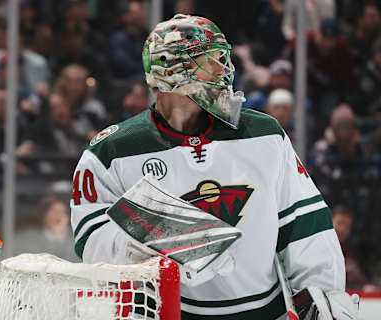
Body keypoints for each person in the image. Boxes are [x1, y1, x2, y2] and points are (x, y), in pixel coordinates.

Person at [71, 15, 359, 319]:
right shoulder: (110, 151)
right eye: (211, 60)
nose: (224, 70)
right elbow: (91, 236)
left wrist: (321, 293)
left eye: (224, 59)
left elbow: (303, 221)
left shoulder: (264, 134)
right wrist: (174, 235)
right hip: (169, 312)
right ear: (171, 69)